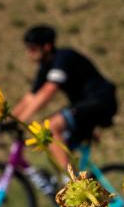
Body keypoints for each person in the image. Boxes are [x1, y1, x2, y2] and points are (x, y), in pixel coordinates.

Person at [11, 25, 117, 171]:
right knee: (57, 149)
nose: (28, 52)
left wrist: (21, 120)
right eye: (27, 48)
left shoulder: (63, 58)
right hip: (85, 105)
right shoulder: (45, 67)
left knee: (51, 127)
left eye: (33, 48)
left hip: (99, 100)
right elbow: (30, 98)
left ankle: (70, 182)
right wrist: (9, 119)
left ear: (47, 47)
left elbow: (49, 90)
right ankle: (77, 180)